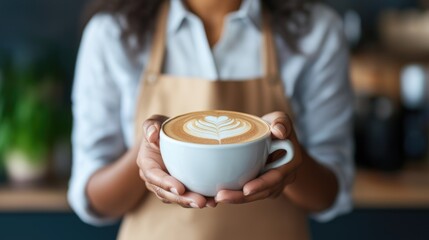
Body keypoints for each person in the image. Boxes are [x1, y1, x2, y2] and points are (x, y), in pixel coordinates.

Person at [68, 0, 354, 239]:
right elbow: (94, 198)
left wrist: (289, 156)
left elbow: (329, 194)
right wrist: (152, 150)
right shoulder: (111, 33)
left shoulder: (317, 31)